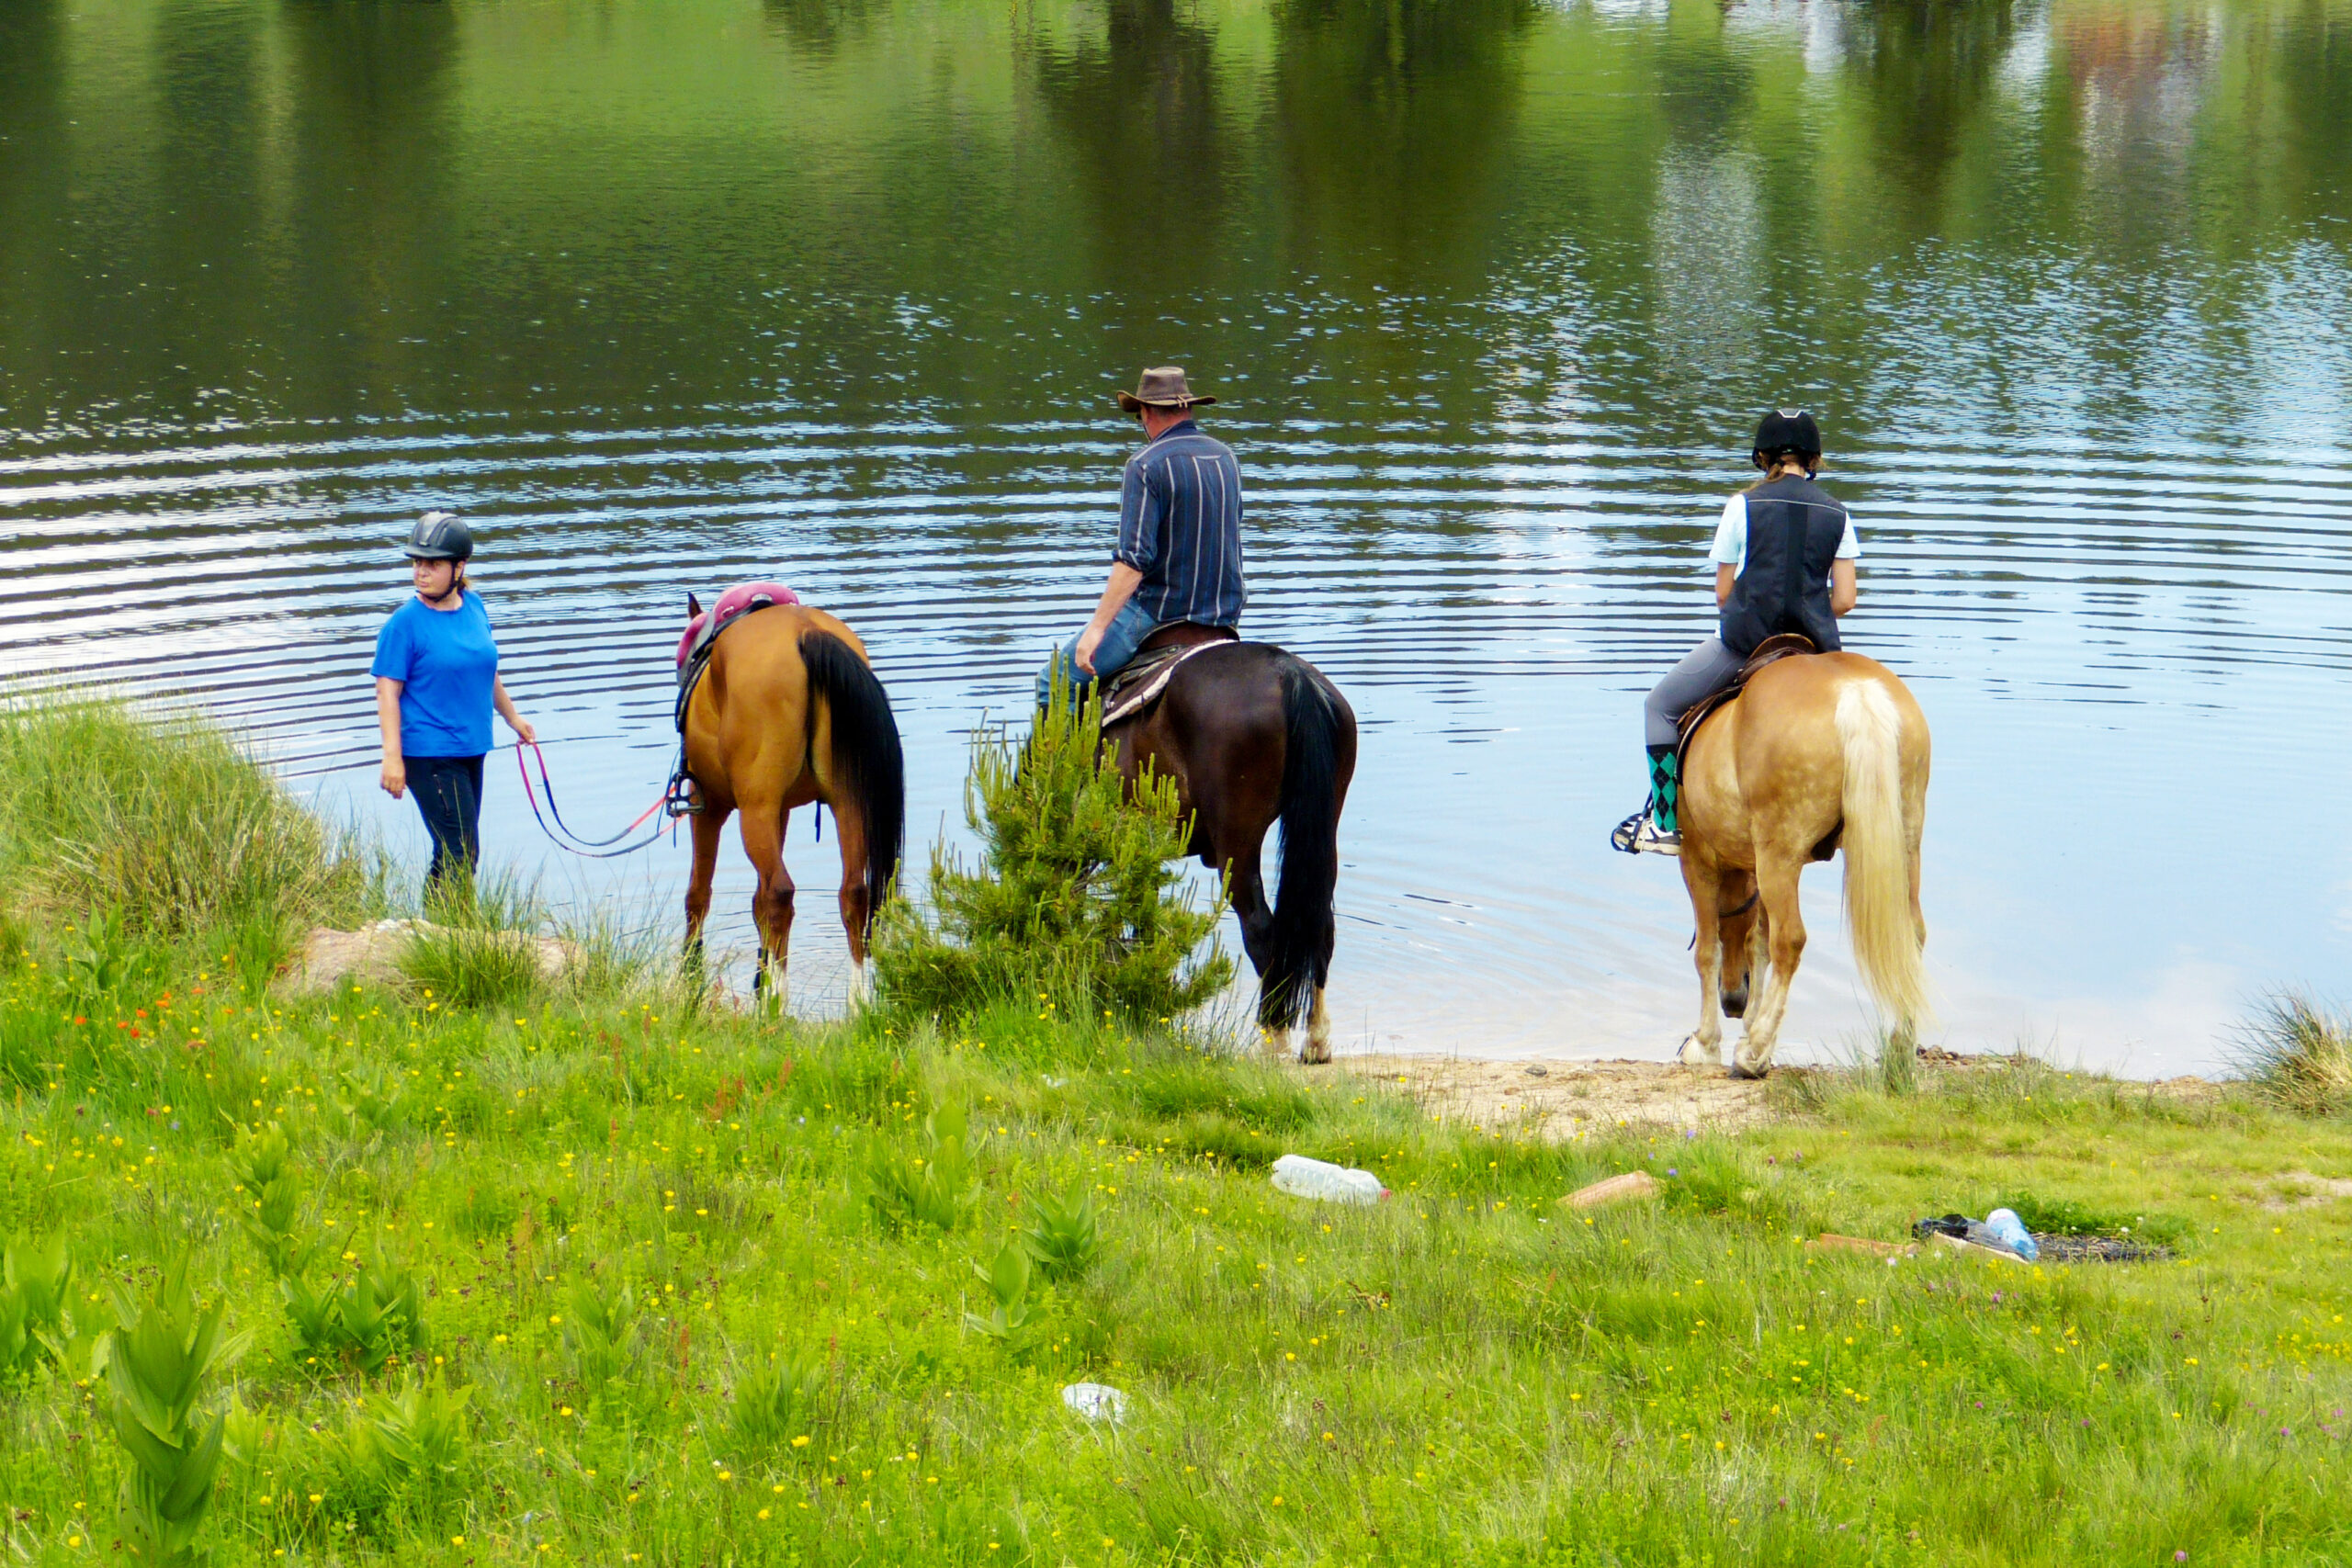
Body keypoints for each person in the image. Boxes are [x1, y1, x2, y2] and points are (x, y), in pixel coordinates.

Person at [1611, 410, 1859, 856]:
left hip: (1746, 643)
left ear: (1763, 457)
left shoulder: (1742, 505)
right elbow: (1844, 600)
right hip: (1815, 654)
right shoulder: (1838, 514)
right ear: (1813, 459)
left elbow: (1724, 593)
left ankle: (1664, 822)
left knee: (1659, 707)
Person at [1035, 367, 1246, 709]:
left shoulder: (1145, 464)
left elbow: (1133, 561)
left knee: (1053, 683)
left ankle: (1069, 763)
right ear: (1187, 408)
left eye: (1139, 418)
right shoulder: (1226, 458)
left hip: (1161, 613)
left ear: (1146, 412)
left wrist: (1095, 630)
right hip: (1224, 615)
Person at [371, 512, 536, 894]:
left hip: (471, 748)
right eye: (417, 562)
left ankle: (438, 933)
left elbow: (485, 669)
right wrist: (392, 757)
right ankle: (450, 937)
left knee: (460, 851)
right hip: (428, 753)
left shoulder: (474, 607)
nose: (421, 571)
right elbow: (386, 691)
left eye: (432, 563)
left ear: (459, 567)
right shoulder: (404, 623)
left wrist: (513, 718)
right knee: (459, 850)